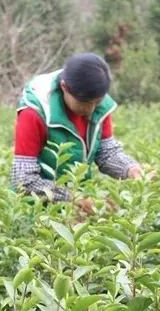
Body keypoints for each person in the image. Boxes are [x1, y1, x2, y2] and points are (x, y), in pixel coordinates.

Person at [11, 53, 143, 206]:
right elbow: (22, 179)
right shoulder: (34, 113)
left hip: (78, 202)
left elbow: (106, 153)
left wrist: (130, 168)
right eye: (85, 102)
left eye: (98, 102)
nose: (91, 109)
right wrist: (72, 198)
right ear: (64, 87)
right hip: (36, 210)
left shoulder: (98, 103)